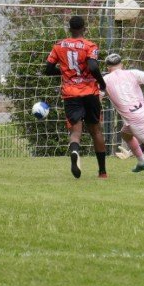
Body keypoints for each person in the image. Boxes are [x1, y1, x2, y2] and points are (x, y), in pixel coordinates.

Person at [44, 16, 107, 179]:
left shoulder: (59, 46)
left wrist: (65, 72)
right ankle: (102, 172)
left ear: (69, 29)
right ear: (84, 28)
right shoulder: (89, 46)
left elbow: (48, 69)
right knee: (96, 131)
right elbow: (93, 66)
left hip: (70, 93)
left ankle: (74, 151)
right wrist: (102, 83)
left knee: (75, 131)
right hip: (90, 93)